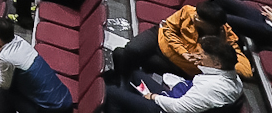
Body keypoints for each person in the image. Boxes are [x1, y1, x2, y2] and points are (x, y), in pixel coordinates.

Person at [112, 0, 251, 81]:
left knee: (125, 56)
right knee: (132, 50)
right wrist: (183, 51)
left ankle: (124, 84)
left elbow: (246, 70)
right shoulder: (188, 11)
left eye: (199, 18)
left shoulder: (224, 38)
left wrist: (215, 62)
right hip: (161, 38)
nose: (194, 16)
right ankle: (120, 81)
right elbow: (168, 29)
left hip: (178, 64)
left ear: (211, 25)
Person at [102, 34, 243, 113]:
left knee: (111, 92)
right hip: (177, 95)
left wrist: (154, 97)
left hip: (169, 109)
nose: (197, 55)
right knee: (134, 74)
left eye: (202, 54)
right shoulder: (231, 76)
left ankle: (119, 102)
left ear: (217, 64)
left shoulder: (210, 88)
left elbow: (179, 108)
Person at [0, 18, 72, 113]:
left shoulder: (5, 56)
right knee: (9, 90)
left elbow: (5, 85)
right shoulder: (20, 41)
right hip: (64, 99)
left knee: (5, 94)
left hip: (53, 109)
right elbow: (14, 72)